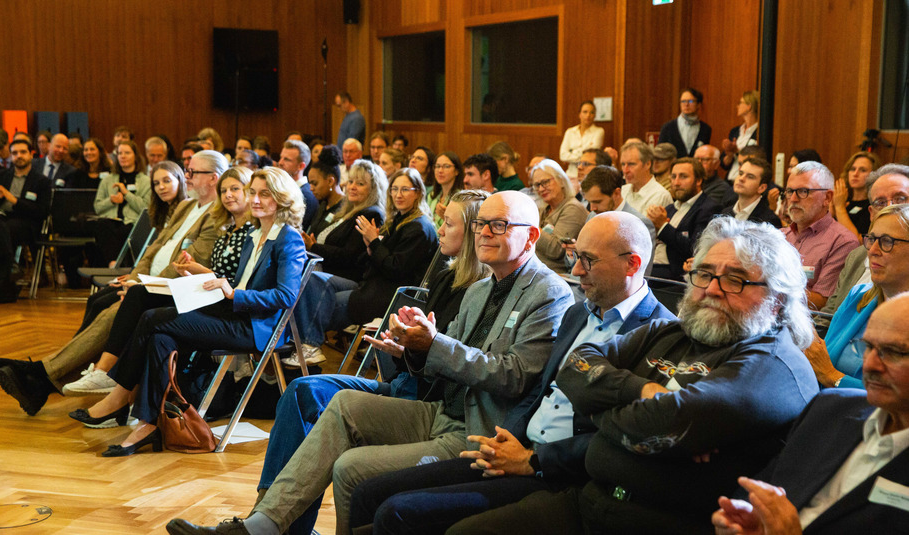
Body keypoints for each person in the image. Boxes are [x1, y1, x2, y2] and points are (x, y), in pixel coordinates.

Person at [166, 190, 574, 535]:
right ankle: (262, 526)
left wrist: (433, 345)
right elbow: (440, 366)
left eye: (498, 225)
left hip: (475, 430)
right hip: (439, 412)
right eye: (481, 223)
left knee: (350, 467)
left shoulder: (548, 294)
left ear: (532, 235)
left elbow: (515, 376)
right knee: (340, 405)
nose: (484, 232)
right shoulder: (479, 288)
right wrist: (413, 347)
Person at [444, 216, 820, 535]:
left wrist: (601, 411)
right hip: (590, 502)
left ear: (778, 298)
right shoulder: (674, 332)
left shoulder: (774, 363)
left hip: (663, 523)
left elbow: (672, 419)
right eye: (705, 273)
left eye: (735, 280)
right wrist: (643, 392)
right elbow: (576, 368)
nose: (712, 290)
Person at [348, 211, 676, 534]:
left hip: (560, 473)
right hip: (514, 447)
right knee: (368, 493)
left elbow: (618, 435)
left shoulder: (658, 334)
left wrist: (533, 458)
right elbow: (541, 390)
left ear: (631, 264)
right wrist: (507, 436)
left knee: (397, 513)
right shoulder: (579, 313)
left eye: (588, 260)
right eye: (575, 256)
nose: (575, 270)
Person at [250, 191, 490, 535]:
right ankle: (267, 517)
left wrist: (414, 349)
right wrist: (401, 346)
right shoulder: (444, 273)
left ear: (469, 232)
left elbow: (453, 371)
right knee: (301, 391)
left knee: (319, 398)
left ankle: (275, 525)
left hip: (423, 400)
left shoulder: (479, 290)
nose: (439, 228)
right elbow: (423, 356)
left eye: (448, 223)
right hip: (403, 384)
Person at [69, 167, 307, 457]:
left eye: (264, 194)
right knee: (159, 337)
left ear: (282, 198)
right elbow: (241, 282)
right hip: (231, 311)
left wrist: (233, 293)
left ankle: (121, 396)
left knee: (152, 319)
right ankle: (147, 424)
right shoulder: (255, 233)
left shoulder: (289, 239)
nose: (255, 199)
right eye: (253, 192)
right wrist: (211, 281)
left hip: (254, 327)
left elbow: (286, 295)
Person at [0, 151, 227, 415]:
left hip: (168, 289)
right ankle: (46, 381)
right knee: (97, 301)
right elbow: (155, 248)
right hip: (146, 281)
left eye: (192, 172)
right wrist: (135, 278)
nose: (187, 176)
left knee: (114, 313)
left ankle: (43, 375)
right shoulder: (187, 206)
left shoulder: (216, 217)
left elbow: (186, 263)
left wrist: (145, 286)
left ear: (213, 178)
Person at [712, 293, 909, 535]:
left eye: (894, 352)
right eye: (868, 347)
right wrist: (749, 516)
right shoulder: (831, 409)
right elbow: (765, 484)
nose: (870, 365)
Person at [58, 166, 248, 397]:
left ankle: (112, 383)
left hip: (226, 305)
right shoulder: (228, 229)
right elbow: (209, 270)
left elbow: (235, 281)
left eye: (235, 189)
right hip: (206, 291)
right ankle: (105, 375)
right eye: (225, 190)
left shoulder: (249, 232)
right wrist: (192, 269)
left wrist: (196, 278)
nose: (228, 195)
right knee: (125, 297)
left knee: (146, 314)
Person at [288, 166, 435, 366]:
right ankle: (305, 345)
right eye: (394, 189)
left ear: (418, 192)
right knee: (313, 280)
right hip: (370, 286)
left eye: (405, 190)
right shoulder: (399, 220)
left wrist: (374, 243)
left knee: (318, 304)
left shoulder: (418, 227)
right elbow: (374, 261)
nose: (398, 195)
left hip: (387, 296)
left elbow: (396, 269)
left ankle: (308, 346)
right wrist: (370, 247)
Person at [803, 204, 909, 389]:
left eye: (887, 241)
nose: (873, 250)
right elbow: (824, 360)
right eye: (872, 239)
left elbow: (899, 401)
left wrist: (833, 377)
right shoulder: (859, 296)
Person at [817, 164, 909, 328]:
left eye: (900, 199)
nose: (889, 207)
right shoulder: (857, 256)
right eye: (880, 202)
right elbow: (830, 315)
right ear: (872, 213)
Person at [0, 139, 51, 309]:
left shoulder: (41, 181)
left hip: (26, 223)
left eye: (23, 152)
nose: (18, 156)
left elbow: (41, 212)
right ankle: (7, 265)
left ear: (31, 154)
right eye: (15, 153)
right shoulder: (0, 176)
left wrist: (13, 200)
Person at [782, 161, 860, 310]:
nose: (793, 199)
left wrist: (770, 288)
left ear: (828, 197)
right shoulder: (780, 236)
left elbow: (821, 301)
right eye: (790, 191)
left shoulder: (843, 241)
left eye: (803, 191)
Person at [302, 158, 387, 292]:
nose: (352, 187)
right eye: (351, 181)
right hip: (328, 271)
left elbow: (348, 256)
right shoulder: (348, 211)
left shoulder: (370, 214)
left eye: (360, 183)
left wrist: (314, 247)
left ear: (374, 189)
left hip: (348, 278)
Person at [647, 157, 721, 280]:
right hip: (651, 265)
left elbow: (695, 248)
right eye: (673, 176)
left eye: (683, 177)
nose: (676, 183)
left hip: (675, 272)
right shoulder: (670, 208)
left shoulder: (709, 208)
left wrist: (663, 227)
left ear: (698, 180)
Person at [530, 159, 587, 272]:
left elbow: (556, 250)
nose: (541, 189)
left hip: (557, 275)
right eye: (537, 185)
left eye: (545, 182)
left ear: (561, 180)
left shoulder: (573, 208)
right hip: (536, 271)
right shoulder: (544, 209)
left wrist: (530, 226)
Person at [722, 157, 782, 229]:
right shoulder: (725, 213)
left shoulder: (769, 221)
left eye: (750, 177)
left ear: (761, 188)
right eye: (741, 173)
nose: (741, 179)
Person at [833, 151, 880, 239]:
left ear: (873, 175)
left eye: (863, 170)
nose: (855, 174)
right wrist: (830, 211)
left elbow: (856, 241)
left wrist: (839, 208)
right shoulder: (843, 199)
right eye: (852, 169)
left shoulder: (872, 207)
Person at [619, 141, 672, 214]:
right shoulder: (622, 191)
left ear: (647, 164)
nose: (625, 170)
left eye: (631, 164)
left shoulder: (660, 195)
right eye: (623, 164)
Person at [304, 145, 346, 237]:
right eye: (310, 184)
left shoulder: (346, 208)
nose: (311, 188)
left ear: (330, 181)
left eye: (315, 184)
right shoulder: (322, 205)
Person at [658, 87, 712, 157]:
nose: (686, 104)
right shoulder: (668, 127)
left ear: (698, 105)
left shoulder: (706, 129)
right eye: (683, 101)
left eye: (690, 101)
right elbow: (660, 154)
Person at [277, 140, 318, 230]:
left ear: (301, 166)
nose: (280, 162)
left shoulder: (306, 195)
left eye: (286, 159)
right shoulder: (284, 189)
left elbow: (298, 230)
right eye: (281, 158)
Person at [720, 90, 760, 182]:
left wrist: (737, 151)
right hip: (730, 182)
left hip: (748, 182)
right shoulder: (735, 131)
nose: (737, 106)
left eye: (740, 103)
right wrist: (729, 155)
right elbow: (724, 164)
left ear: (749, 106)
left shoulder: (759, 132)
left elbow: (759, 159)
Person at [559, 100, 605, 180]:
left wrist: (572, 153)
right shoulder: (570, 132)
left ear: (594, 115)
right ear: (579, 114)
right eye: (585, 112)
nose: (588, 115)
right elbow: (563, 155)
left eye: (592, 112)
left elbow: (591, 156)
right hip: (570, 174)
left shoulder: (599, 131)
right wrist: (581, 155)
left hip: (588, 176)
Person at [426, 151, 465, 226]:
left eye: (446, 166)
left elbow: (462, 229)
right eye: (437, 166)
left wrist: (446, 218)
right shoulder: (432, 195)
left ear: (456, 171)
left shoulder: (461, 198)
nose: (440, 171)